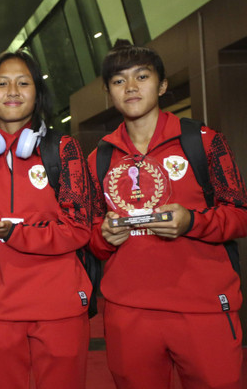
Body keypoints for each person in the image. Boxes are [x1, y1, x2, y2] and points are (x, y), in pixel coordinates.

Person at [88, 40, 247, 389]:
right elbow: (92, 239)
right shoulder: (98, 158)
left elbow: (240, 214)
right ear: (108, 91)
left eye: (141, 76)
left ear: (161, 85)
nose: (130, 87)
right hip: (128, 313)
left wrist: (193, 221)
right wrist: (104, 237)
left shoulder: (203, 142)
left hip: (202, 308)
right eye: (118, 80)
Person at [0, 49, 93, 389]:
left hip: (59, 307)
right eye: (2, 84)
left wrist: (13, 232)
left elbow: (78, 230)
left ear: (37, 93)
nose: (13, 91)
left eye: (23, 83)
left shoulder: (63, 150)